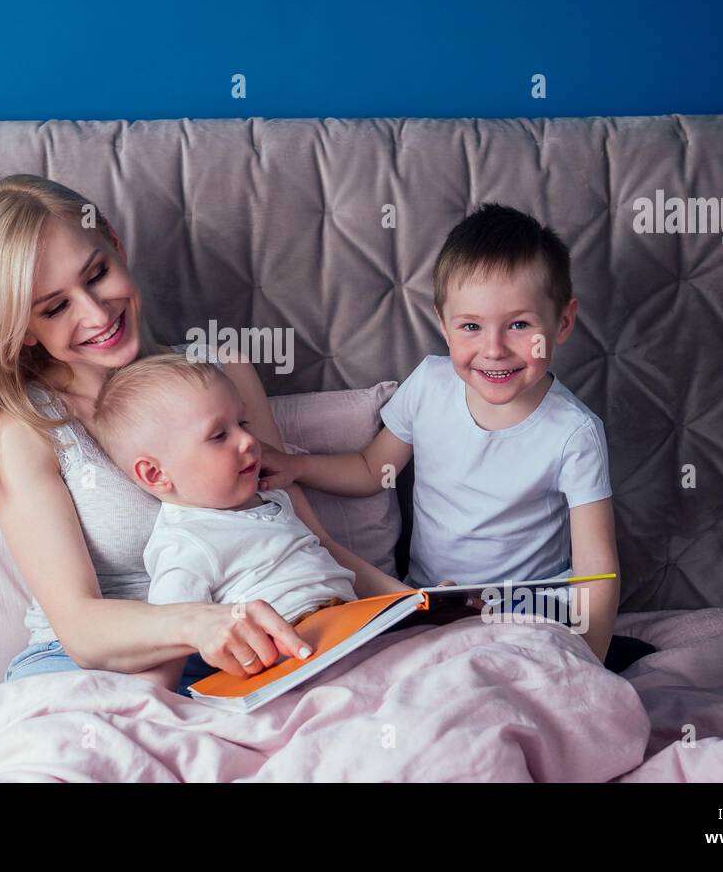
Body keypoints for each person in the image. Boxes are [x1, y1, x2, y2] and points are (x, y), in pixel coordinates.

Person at [0, 175, 411, 698]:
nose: (96, 314)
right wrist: (199, 624)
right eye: (54, 308)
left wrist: (420, 606)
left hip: (250, 651)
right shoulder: (28, 428)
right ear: (22, 327)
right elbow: (79, 629)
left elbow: (309, 542)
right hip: (87, 669)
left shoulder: (221, 370)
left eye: (97, 275)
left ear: (116, 247)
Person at [257, 204, 658, 673]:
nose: (494, 349)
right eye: (471, 326)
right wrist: (297, 466)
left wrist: (589, 660)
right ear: (444, 324)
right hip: (435, 606)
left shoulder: (574, 432)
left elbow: (596, 573)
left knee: (520, 675)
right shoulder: (429, 385)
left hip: (529, 611)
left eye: (520, 325)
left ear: (563, 323)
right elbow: (372, 470)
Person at [87, 352, 360, 691]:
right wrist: (156, 701)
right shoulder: (185, 542)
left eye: (242, 424)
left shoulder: (272, 497)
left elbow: (330, 561)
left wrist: (418, 600)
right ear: (156, 474)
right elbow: (171, 641)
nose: (248, 440)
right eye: (219, 435)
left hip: (354, 626)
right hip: (291, 661)